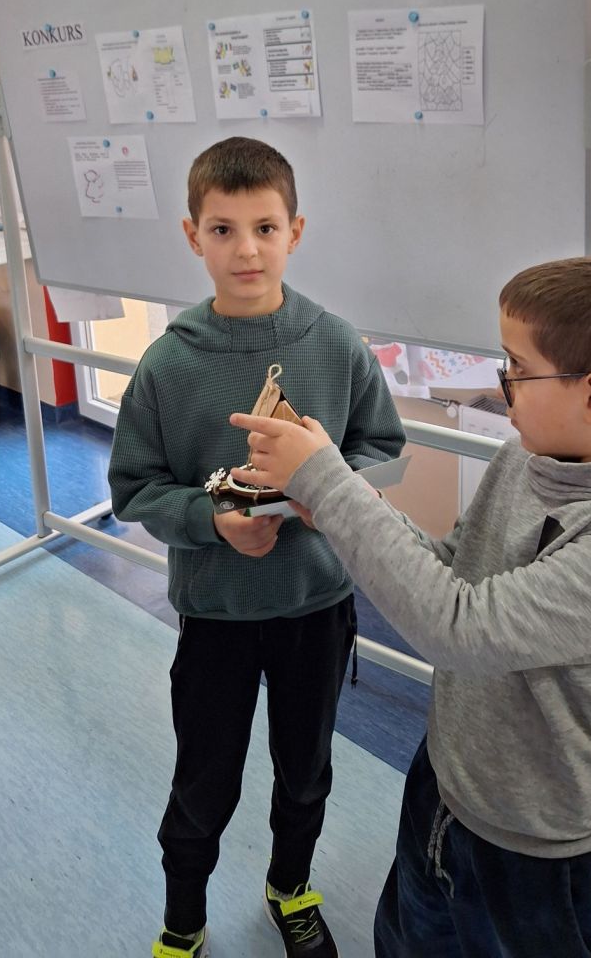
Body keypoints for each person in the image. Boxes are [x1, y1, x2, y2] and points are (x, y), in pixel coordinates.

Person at [229, 253, 591, 958]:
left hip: (553, 856)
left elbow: (459, 628)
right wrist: (336, 501)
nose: (501, 383)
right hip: (450, 790)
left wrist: (329, 485)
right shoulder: (530, 459)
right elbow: (451, 567)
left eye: (517, 367)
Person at [108, 136, 405, 958]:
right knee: (203, 782)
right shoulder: (167, 364)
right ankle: (183, 919)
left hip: (315, 606)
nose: (246, 249)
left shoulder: (337, 345)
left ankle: (290, 888)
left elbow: (384, 451)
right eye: (223, 229)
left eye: (265, 228)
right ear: (192, 236)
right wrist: (214, 522)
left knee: (305, 772)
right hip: (216, 613)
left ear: (294, 232)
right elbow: (135, 488)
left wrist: (327, 490)